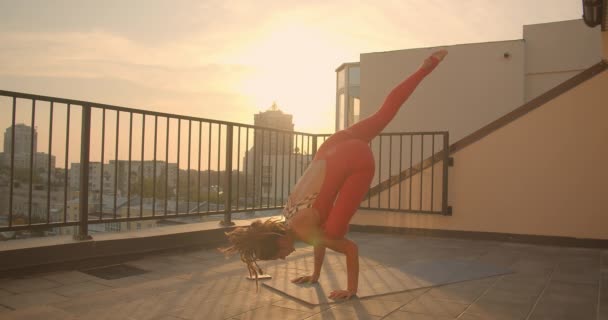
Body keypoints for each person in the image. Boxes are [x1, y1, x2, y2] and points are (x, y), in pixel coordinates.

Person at [221, 49, 448, 300]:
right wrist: (315, 275)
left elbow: (349, 249)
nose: (284, 258)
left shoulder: (304, 231)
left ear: (280, 243)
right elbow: (317, 239)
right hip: (333, 147)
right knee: (385, 112)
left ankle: (351, 288)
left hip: (357, 159)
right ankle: (426, 67)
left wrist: (350, 290)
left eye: (278, 255)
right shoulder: (288, 218)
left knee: (337, 232)